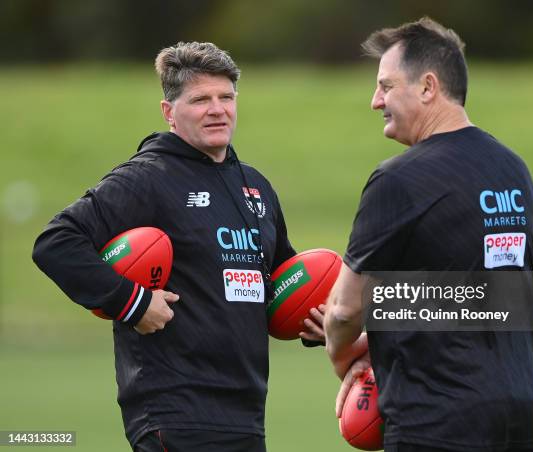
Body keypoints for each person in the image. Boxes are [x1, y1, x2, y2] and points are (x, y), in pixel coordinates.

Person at [32, 41, 323, 452]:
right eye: (200, 99)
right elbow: (56, 243)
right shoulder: (146, 179)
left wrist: (322, 319)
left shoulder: (255, 187)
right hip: (174, 413)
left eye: (226, 97)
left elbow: (280, 283)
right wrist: (131, 302)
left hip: (246, 413)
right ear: (170, 112)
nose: (217, 109)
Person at [324, 18, 533, 452]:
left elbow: (345, 310)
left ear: (427, 87)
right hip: (519, 418)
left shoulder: (398, 180)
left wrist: (341, 353)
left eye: (386, 86)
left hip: (437, 422)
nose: (375, 101)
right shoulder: (513, 170)